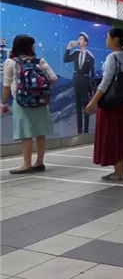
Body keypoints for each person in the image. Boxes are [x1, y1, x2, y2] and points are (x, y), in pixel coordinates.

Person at [2, 35, 58, 174]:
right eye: (32, 44)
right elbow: (53, 78)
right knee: (40, 133)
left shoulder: (11, 62)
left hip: (21, 101)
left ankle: (26, 165)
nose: (34, 47)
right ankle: (39, 163)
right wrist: (38, 89)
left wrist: (3, 103)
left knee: (26, 134)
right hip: (40, 101)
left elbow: (6, 84)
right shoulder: (39, 61)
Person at [85, 28, 123, 181]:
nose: (106, 40)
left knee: (112, 136)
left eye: (108, 37)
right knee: (121, 137)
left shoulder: (112, 57)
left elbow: (105, 82)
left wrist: (93, 101)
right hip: (121, 103)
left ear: (115, 39)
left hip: (110, 104)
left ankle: (118, 172)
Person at [63, 32, 94, 134]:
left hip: (85, 84)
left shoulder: (90, 56)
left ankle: (86, 130)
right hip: (76, 83)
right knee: (78, 107)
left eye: (81, 39)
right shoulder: (76, 53)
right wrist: (68, 48)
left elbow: (92, 73)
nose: (79, 41)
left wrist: (91, 88)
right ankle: (79, 131)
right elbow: (65, 59)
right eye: (79, 39)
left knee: (86, 108)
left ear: (86, 42)